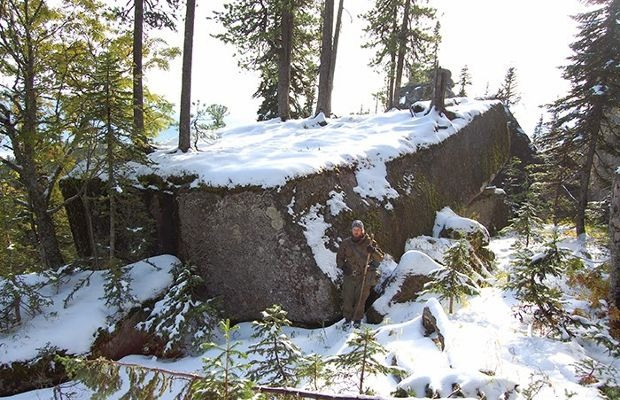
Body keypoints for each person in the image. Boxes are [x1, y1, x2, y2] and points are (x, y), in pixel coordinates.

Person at [336, 220, 384, 328]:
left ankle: (357, 320)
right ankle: (347, 319)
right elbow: (339, 258)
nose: (356, 232)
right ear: (352, 230)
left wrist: (373, 251)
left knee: (361, 298)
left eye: (358, 230)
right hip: (349, 275)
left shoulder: (370, 242)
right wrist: (343, 267)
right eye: (354, 230)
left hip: (364, 275)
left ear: (362, 230)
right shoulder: (346, 243)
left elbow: (380, 257)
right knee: (347, 297)